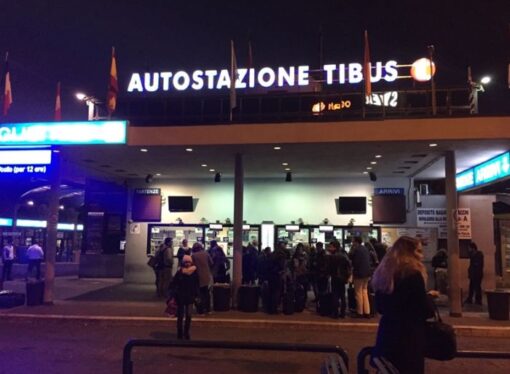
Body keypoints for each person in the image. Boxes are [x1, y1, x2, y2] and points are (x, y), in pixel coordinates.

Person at [371, 236, 435, 374]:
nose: (421, 255)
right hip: (408, 338)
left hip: (387, 334)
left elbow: (380, 307)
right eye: (418, 251)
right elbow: (423, 309)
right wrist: (429, 297)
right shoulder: (413, 274)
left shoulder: (385, 274)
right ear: (409, 253)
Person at [169, 255, 199, 340]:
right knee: (182, 315)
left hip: (185, 295)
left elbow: (196, 284)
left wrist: (197, 295)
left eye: (188, 262)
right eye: (186, 262)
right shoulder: (188, 272)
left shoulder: (181, 272)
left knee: (187, 315)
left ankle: (184, 332)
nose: (187, 263)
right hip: (183, 296)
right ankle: (181, 333)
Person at [326, 240, 352, 318]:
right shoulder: (344, 255)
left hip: (335, 277)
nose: (329, 248)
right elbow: (349, 266)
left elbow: (329, 268)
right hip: (343, 278)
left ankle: (335, 313)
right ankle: (342, 313)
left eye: (331, 247)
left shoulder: (332, 256)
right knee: (342, 295)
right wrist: (347, 276)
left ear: (334, 247)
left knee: (335, 295)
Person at [349, 236, 372, 318]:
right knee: (365, 292)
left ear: (356, 241)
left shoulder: (357, 250)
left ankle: (360, 312)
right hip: (367, 273)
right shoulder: (365, 249)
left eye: (353, 241)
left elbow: (355, 262)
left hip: (359, 273)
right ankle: (367, 311)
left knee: (358, 293)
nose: (352, 242)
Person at [191, 242, 213, 314]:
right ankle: (208, 309)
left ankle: (200, 310)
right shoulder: (206, 253)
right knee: (206, 293)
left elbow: (192, 266)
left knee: (198, 294)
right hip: (206, 276)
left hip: (197, 276)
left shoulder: (193, 255)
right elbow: (211, 263)